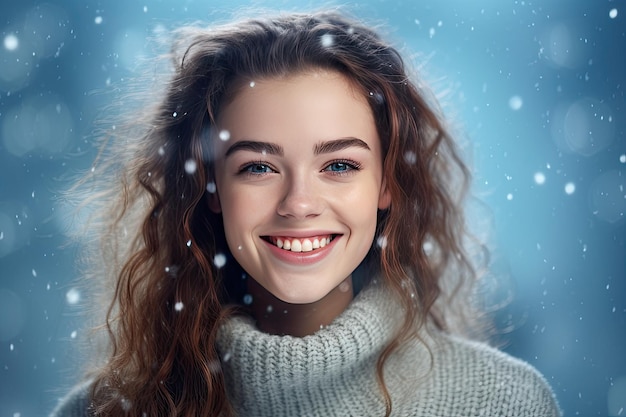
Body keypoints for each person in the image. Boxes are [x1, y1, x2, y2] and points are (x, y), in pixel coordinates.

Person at [50, 10, 560, 417]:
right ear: (209, 187)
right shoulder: (105, 412)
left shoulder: (505, 403)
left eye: (338, 164)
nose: (299, 203)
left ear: (386, 182)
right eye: (258, 167)